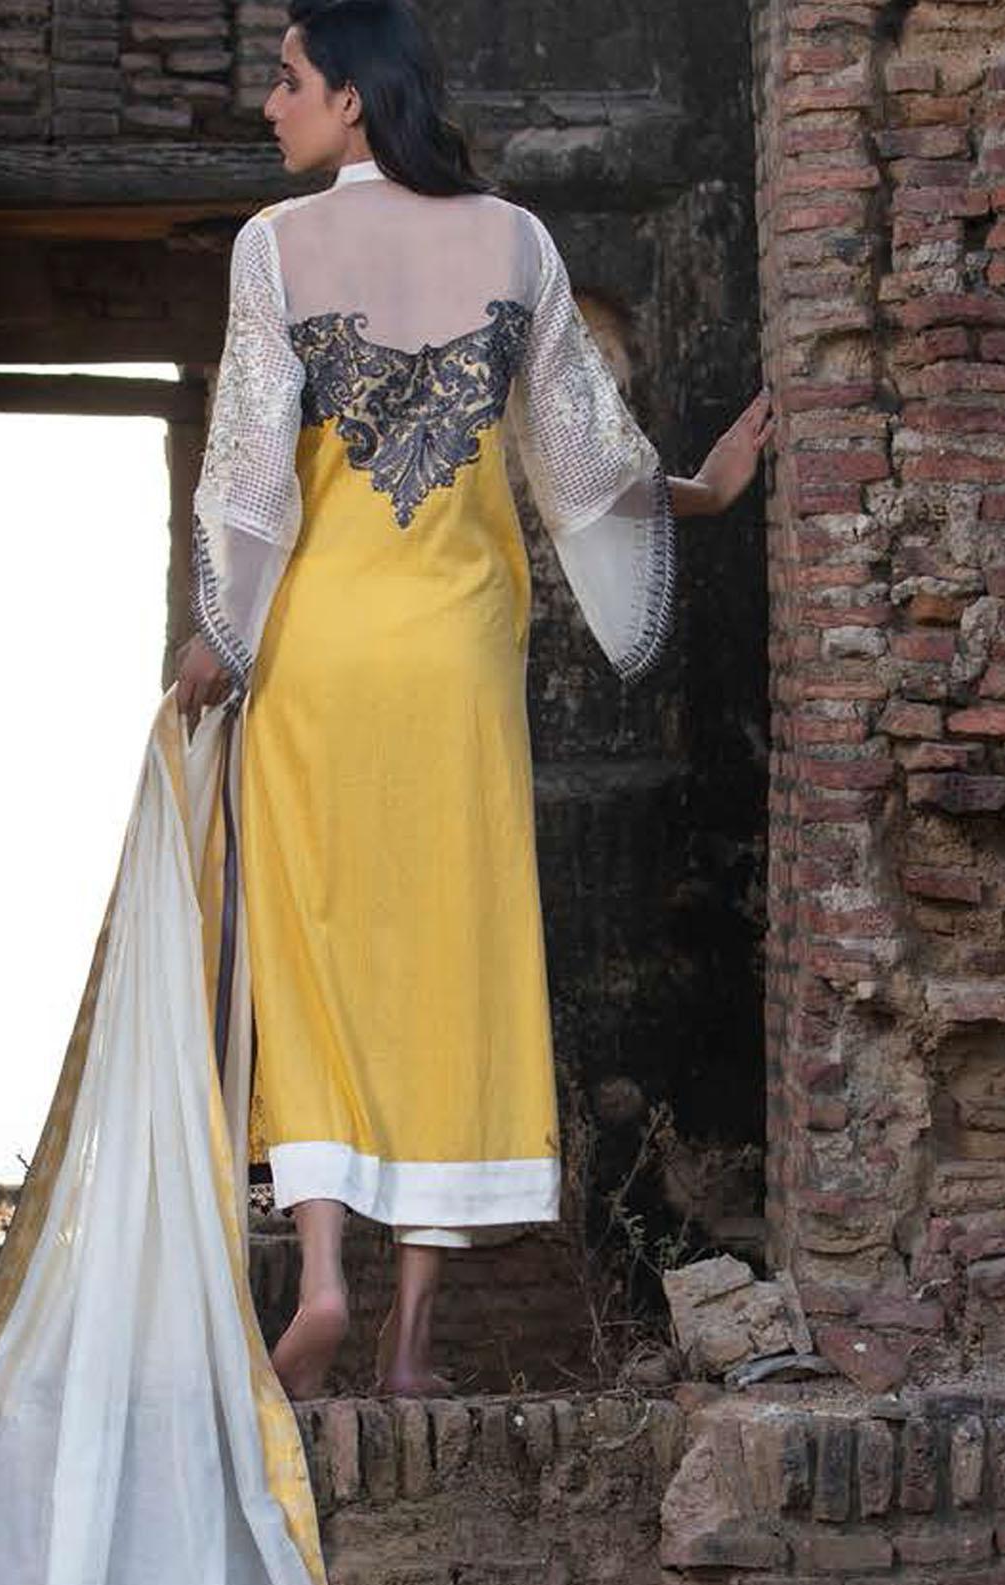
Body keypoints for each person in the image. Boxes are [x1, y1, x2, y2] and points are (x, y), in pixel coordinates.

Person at [174, 0, 773, 1405]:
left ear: (354, 99)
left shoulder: (276, 246)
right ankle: (408, 1346)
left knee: (316, 953)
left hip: (320, 654)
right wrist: (705, 490)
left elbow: (250, 475)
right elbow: (582, 458)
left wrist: (216, 632)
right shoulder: (516, 242)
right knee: (453, 952)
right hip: (455, 659)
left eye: (288, 80)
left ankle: (324, 1276)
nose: (270, 105)